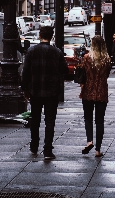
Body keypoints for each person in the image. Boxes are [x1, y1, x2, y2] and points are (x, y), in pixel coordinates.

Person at [22, 26, 68, 160]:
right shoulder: (57, 52)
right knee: (50, 121)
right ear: (52, 36)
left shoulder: (31, 51)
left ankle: (34, 145)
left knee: (35, 120)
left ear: (40, 35)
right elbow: (64, 70)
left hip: (35, 91)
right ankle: (47, 149)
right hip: (51, 92)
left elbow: (25, 73)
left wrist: (25, 89)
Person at [79, 36, 111, 157]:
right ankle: (98, 150)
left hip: (88, 92)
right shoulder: (107, 59)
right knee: (100, 121)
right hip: (101, 93)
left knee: (88, 118)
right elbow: (106, 75)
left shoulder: (87, 58)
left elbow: (83, 74)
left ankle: (89, 141)